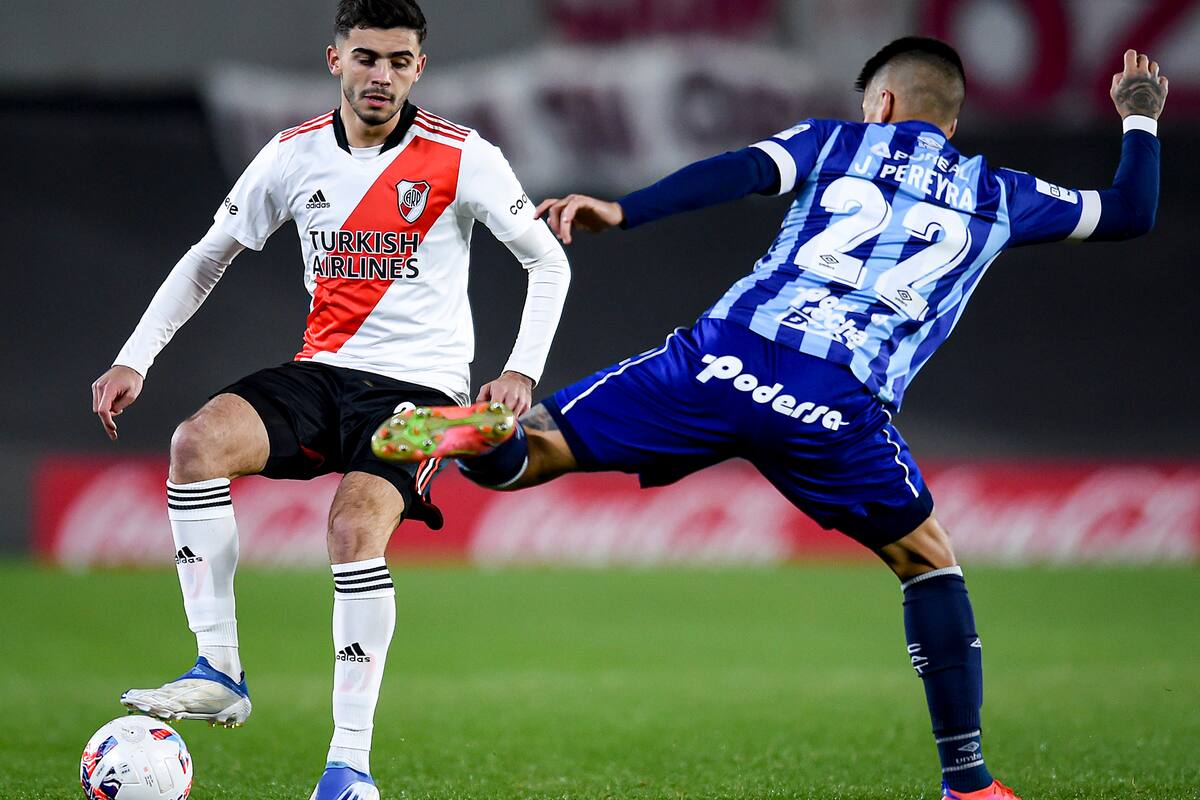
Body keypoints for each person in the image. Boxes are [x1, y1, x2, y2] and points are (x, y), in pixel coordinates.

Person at [373, 38, 1166, 800]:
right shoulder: (1001, 194)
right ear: (951, 122)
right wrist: (1138, 115)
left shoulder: (835, 142)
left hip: (726, 357)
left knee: (538, 447)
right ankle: (968, 781)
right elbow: (1131, 210)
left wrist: (624, 210)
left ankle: (483, 438)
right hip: (837, 404)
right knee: (930, 563)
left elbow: (744, 169)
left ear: (881, 103)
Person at [89, 1, 570, 797]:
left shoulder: (464, 156)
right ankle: (220, 670)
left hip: (422, 394)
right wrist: (134, 357)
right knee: (194, 444)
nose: (381, 74)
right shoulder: (292, 155)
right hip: (323, 373)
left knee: (351, 529)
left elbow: (546, 263)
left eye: (398, 61)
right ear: (334, 60)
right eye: (366, 57)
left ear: (418, 68)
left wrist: (520, 369)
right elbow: (209, 256)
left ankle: (348, 768)